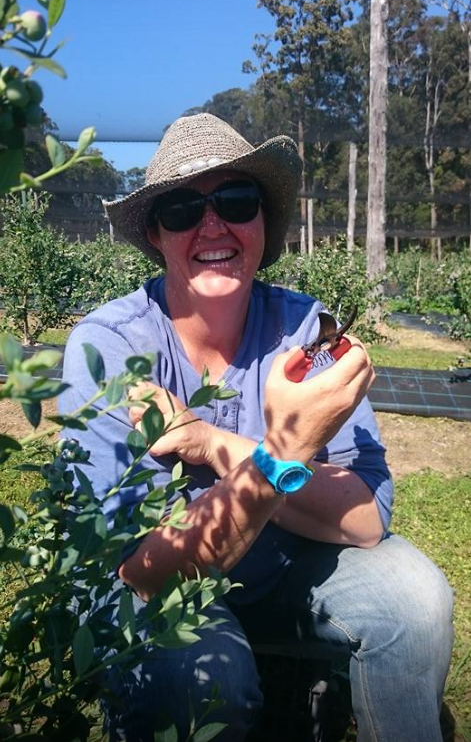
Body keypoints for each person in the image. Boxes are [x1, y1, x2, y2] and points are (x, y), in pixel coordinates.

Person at [60, 113, 453, 742]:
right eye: (184, 208)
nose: (213, 225)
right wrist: (286, 455)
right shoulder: (109, 347)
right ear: (157, 235)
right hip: (169, 586)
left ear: (263, 223)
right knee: (201, 679)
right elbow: (139, 570)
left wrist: (219, 443)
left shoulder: (304, 331)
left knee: (415, 600)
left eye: (236, 201)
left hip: (279, 565)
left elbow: (365, 518)